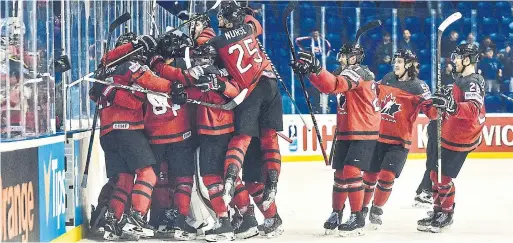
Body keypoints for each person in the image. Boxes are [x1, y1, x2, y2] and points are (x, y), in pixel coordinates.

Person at [88, 32, 183, 241]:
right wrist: (173, 87)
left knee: (123, 179)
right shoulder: (129, 65)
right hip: (127, 129)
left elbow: (94, 95)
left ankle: (112, 223)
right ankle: (136, 219)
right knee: (148, 174)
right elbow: (149, 80)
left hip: (107, 134)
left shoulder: (103, 69)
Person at [201, 2, 284, 238]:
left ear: (226, 20)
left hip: (252, 89)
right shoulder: (250, 28)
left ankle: (230, 175)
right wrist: (246, 11)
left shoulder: (216, 43)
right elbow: (255, 23)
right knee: (269, 138)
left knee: (243, 136)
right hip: (272, 85)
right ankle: (273, 179)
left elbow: (203, 57)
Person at [291, 43, 380, 236]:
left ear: (354, 58)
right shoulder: (347, 72)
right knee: (340, 174)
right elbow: (327, 86)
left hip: (363, 129)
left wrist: (316, 68)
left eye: (344, 56)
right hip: (348, 129)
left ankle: (357, 216)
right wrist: (310, 73)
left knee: (351, 170)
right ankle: (337, 213)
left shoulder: (359, 73)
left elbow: (334, 84)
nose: (340, 59)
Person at [361, 49, 438, 229]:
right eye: (395, 61)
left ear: (409, 65)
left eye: (400, 61)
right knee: (369, 176)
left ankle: (376, 209)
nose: (396, 64)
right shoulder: (387, 78)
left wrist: (438, 104)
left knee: (387, 177)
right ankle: (361, 209)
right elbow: (370, 92)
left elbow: (432, 113)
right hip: (377, 138)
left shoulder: (419, 87)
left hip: (399, 142)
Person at [417, 43, 485, 233]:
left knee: (444, 177)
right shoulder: (459, 81)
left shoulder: (473, 81)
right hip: (448, 133)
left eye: (457, 57)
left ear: (466, 60)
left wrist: (451, 105)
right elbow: (447, 105)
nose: (454, 60)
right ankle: (438, 210)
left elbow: (472, 109)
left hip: (461, 137)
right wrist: (438, 101)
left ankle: (446, 213)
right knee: (434, 174)